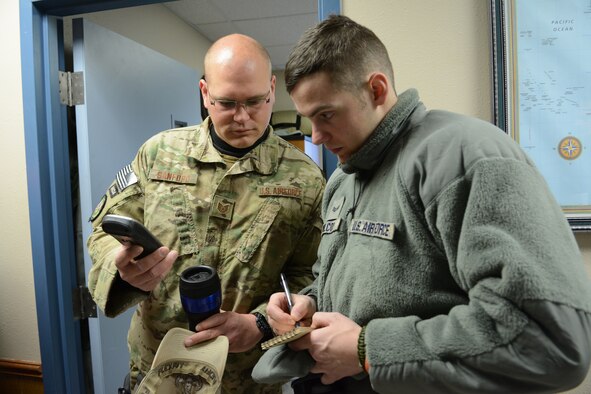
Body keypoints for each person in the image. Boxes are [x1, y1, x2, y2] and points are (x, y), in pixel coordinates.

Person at [259, 15, 591, 393]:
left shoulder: (466, 158)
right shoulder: (342, 179)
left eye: (327, 115)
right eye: (308, 119)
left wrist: (370, 348)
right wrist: (307, 305)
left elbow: (548, 339)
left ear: (377, 90)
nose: (316, 136)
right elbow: (341, 283)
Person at [86, 33, 325, 393]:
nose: (243, 117)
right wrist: (122, 271)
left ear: (273, 89)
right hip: (155, 374)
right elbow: (104, 231)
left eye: (256, 101)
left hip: (246, 381)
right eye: (226, 103)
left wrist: (259, 323)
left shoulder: (306, 179)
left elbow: (311, 279)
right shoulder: (158, 154)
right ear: (204, 93)